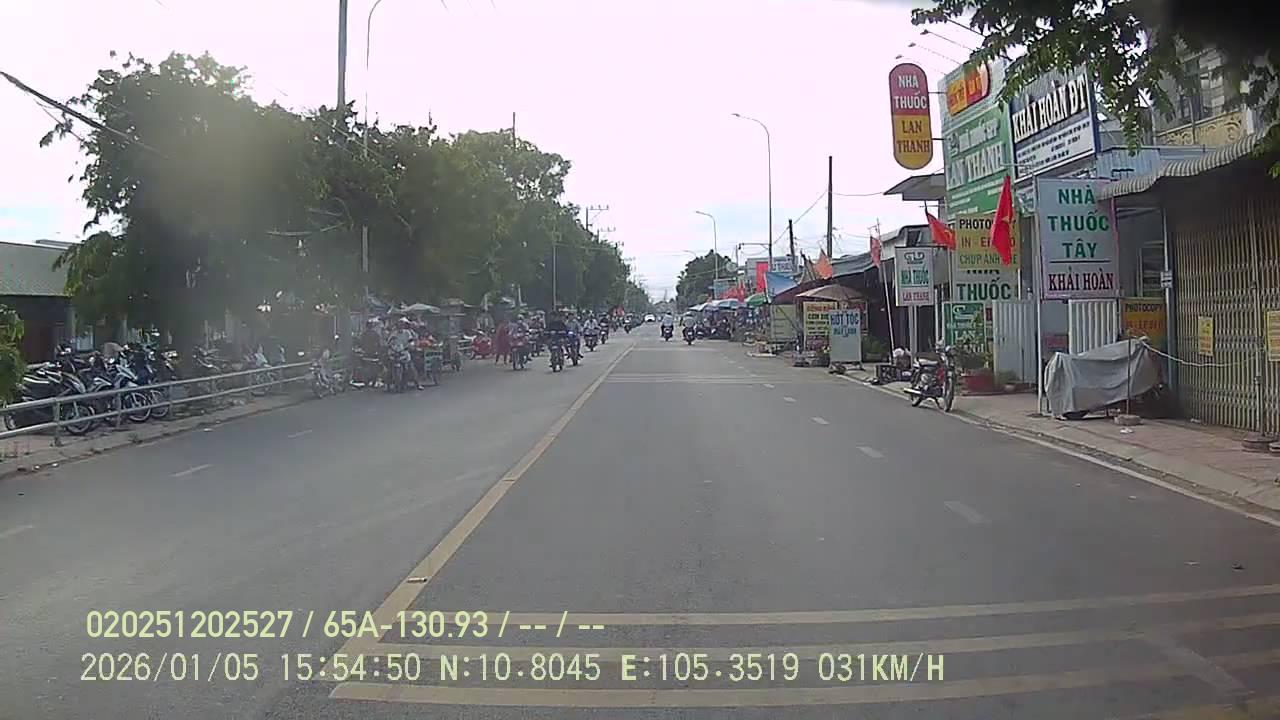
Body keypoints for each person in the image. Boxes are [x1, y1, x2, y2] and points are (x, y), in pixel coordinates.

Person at [387, 318, 422, 389]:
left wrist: (411, 345)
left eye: (401, 325)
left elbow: (411, 341)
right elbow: (389, 342)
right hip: (395, 352)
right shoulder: (393, 333)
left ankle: (417, 384)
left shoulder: (407, 333)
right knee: (388, 368)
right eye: (399, 325)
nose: (400, 327)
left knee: (411, 368)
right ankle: (387, 384)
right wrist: (390, 346)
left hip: (404, 352)